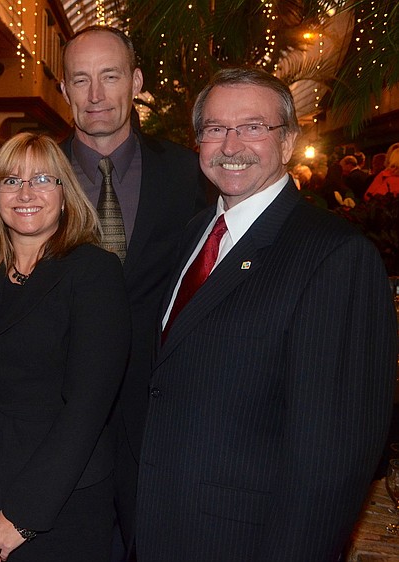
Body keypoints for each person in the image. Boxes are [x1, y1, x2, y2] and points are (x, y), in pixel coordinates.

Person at [135, 68, 397, 561]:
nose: (231, 144)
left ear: (288, 141)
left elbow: (334, 456)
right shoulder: (195, 233)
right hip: (162, 525)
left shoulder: (335, 256)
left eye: (253, 127)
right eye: (215, 128)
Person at [0, 132, 130, 562]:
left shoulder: (95, 273)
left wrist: (23, 514)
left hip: (60, 501)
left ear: (64, 192)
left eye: (41, 179)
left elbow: (88, 407)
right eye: (11, 181)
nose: (25, 193)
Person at [58, 24, 208, 554]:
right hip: (57, 408)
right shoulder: (33, 177)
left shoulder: (190, 174)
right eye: (81, 79)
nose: (95, 94)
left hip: (160, 409)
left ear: (136, 81)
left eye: (110, 76)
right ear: (64, 90)